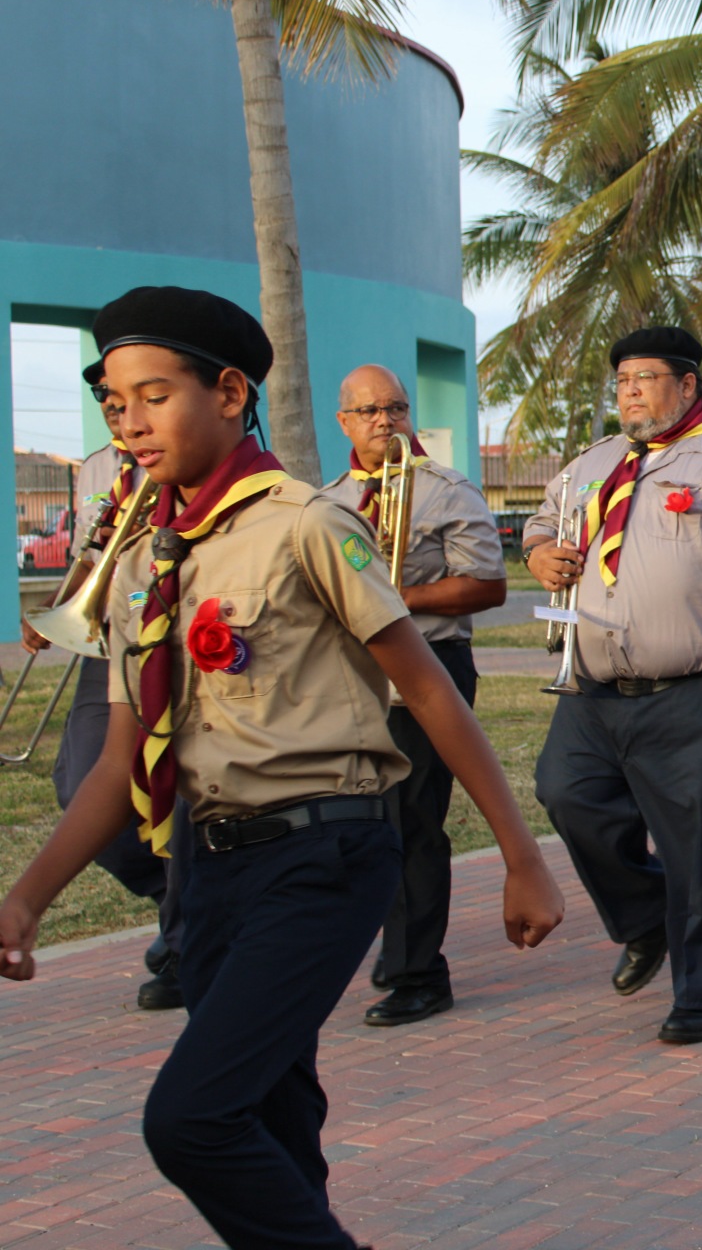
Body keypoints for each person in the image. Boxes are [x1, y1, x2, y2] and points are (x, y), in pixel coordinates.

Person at [0, 286, 563, 1250]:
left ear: (228, 393)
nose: (129, 421)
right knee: (270, 1115)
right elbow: (119, 762)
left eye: (153, 394)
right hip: (207, 868)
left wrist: (522, 854)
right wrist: (26, 899)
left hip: (325, 851)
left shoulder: (309, 523)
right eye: (113, 401)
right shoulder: (142, 556)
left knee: (191, 1120)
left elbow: (429, 692)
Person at [526, 325, 702, 1046]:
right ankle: (647, 921)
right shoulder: (594, 463)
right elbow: (538, 522)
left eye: (644, 379)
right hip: (593, 688)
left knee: (697, 845)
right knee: (566, 794)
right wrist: (538, 554)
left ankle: (696, 996)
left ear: (687, 387)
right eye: (621, 381)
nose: (629, 393)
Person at [319, 365, 508, 1026]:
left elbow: (487, 587)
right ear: (343, 421)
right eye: (368, 410)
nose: (384, 421)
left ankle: (418, 972)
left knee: (412, 821)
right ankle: (394, 942)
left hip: (430, 665)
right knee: (359, 821)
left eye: (395, 408)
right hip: (352, 674)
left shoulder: (447, 490)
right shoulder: (329, 501)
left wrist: (398, 599)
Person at [17, 384, 183, 1009]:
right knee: (79, 784)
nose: (122, 417)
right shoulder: (96, 468)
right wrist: (59, 610)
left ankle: (183, 940)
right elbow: (94, 550)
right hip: (111, 639)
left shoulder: (183, 460)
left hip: (176, 635)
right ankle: (180, 896)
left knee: (181, 792)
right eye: (111, 405)